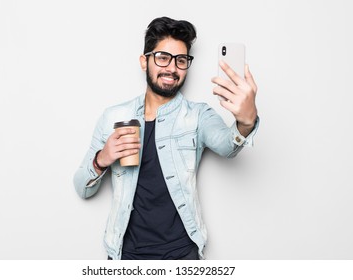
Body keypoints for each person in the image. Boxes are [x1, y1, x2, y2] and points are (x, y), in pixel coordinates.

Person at [73, 16, 259, 260]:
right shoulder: (114, 117)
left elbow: (228, 146)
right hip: (125, 256)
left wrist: (246, 122)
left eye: (181, 60)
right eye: (163, 57)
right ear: (144, 61)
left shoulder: (198, 116)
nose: (172, 68)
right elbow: (81, 188)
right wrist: (102, 159)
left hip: (182, 255)